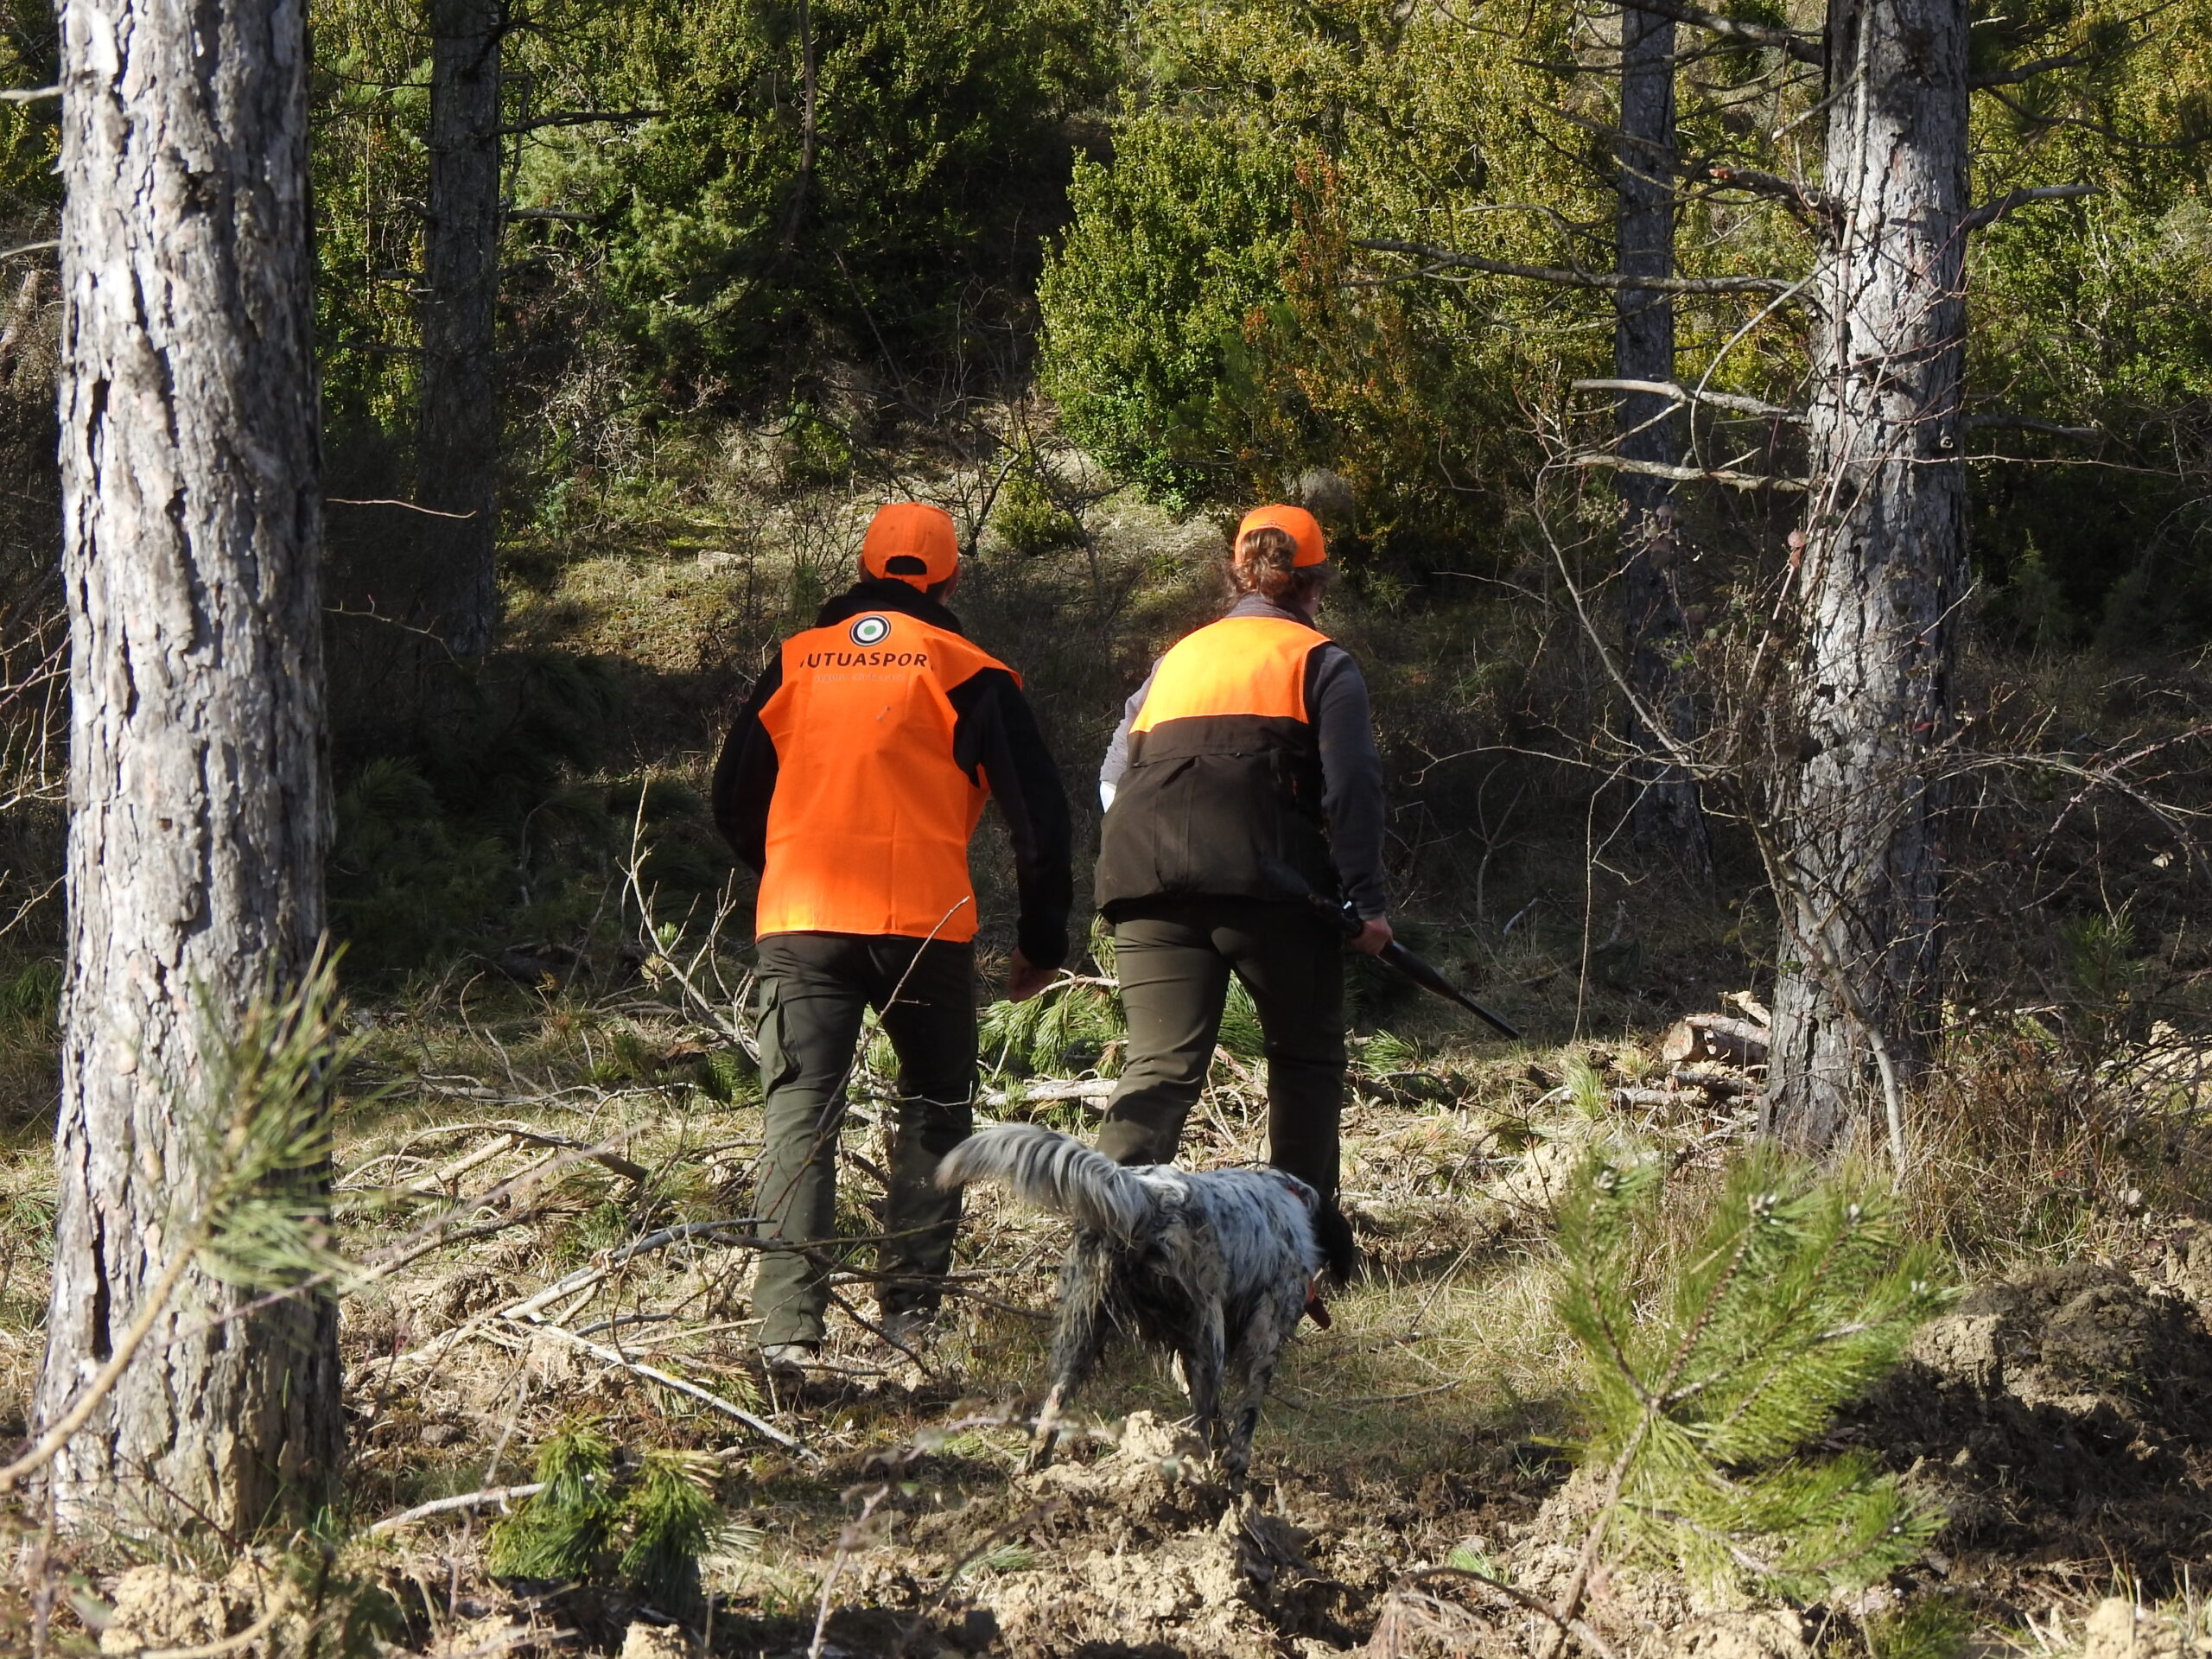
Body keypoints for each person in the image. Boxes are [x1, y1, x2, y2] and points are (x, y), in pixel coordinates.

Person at [712, 501, 1072, 1376]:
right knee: (936, 1108)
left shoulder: (794, 662)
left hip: (800, 921)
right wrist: (1041, 940)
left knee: (800, 1117)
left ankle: (787, 1332)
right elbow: (1040, 825)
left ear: (866, 568)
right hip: (923, 924)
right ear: (948, 578)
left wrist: (789, 866)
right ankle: (910, 1319)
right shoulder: (972, 671)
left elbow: (731, 797)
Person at [1091, 504, 1390, 1283]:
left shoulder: (1179, 657)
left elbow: (1112, 777)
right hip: (1275, 890)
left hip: (1144, 878)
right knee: (1305, 1060)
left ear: (1237, 572)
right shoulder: (1321, 659)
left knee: (1158, 1068)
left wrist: (1157, 853)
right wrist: (1365, 900)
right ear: (1316, 583)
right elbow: (1352, 787)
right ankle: (1301, 1253)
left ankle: (1104, 1253)